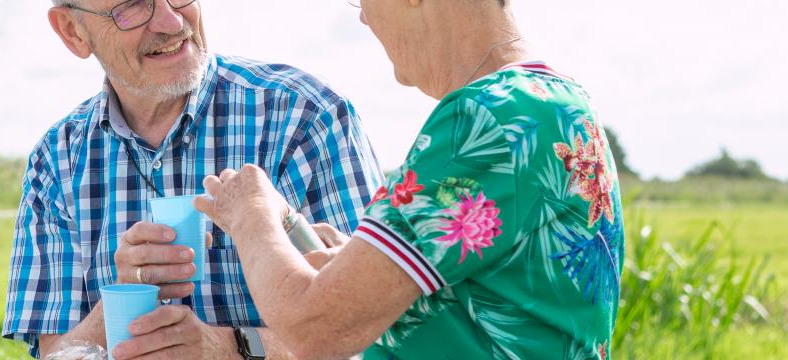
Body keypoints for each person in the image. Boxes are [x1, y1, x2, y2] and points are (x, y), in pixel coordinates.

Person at [192, 0, 624, 358]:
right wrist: (354, 265)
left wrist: (250, 214)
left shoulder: (486, 120)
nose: (362, 16)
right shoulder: (556, 103)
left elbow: (314, 330)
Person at [2, 0, 385, 358]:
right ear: (73, 31)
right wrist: (121, 301)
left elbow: (378, 329)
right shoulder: (57, 158)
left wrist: (228, 347)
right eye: (132, 4)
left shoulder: (305, 118)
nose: (171, 22)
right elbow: (58, 352)